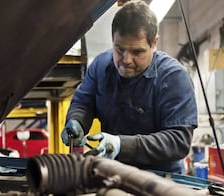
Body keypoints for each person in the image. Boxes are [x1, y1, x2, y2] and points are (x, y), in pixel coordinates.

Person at [61, 0, 198, 174]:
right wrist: (77, 121)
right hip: (112, 174)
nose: (126, 60)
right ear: (112, 41)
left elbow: (179, 141)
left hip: (160, 182)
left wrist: (121, 145)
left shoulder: (173, 78)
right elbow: (84, 103)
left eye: (137, 52)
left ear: (154, 43)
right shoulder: (100, 67)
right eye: (119, 49)